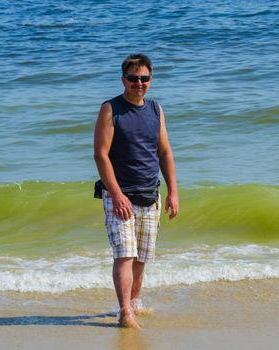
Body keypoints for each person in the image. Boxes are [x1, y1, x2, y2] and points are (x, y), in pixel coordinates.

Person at [93, 53, 179, 328]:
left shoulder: (156, 110)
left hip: (150, 194)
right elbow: (101, 155)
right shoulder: (111, 109)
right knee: (125, 254)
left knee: (141, 257)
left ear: (150, 80)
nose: (138, 83)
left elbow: (165, 152)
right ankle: (124, 312)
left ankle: (134, 302)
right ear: (123, 80)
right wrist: (116, 194)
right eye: (133, 78)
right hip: (120, 196)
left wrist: (173, 192)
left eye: (144, 78)